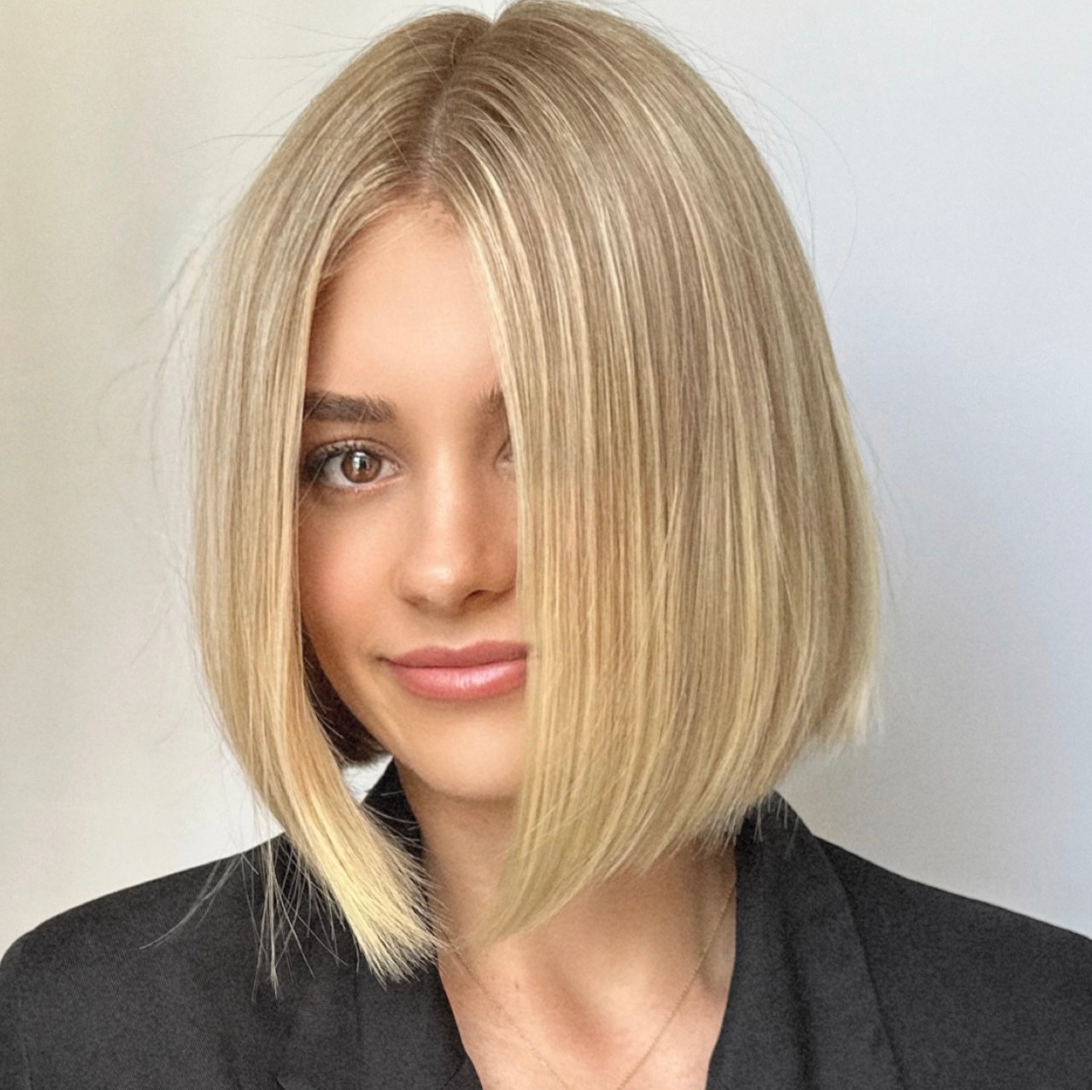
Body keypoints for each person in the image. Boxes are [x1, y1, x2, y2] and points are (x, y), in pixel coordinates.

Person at [1, 1, 1089, 1087]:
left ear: (734, 481)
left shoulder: (1046, 1037)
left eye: (545, 443)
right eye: (352, 462)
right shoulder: (100, 1040)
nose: (447, 568)